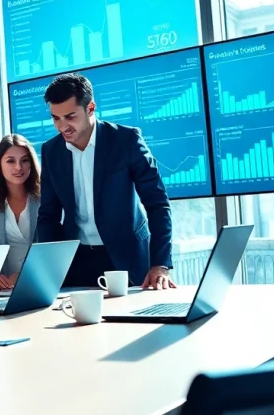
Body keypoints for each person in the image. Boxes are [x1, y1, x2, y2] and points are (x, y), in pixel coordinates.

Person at [36, 73, 175, 290]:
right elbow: (48, 215)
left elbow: (157, 203)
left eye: (70, 117)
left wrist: (160, 264)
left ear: (90, 108)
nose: (62, 126)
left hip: (126, 259)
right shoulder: (51, 151)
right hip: (77, 262)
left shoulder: (126, 141)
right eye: (56, 118)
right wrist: (47, 269)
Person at [0, 134, 40, 290]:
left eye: (24, 160)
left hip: (40, 280)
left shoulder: (45, 199)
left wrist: (25, 273)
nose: (18, 167)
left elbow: (55, 247)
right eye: (10, 161)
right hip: (6, 287)